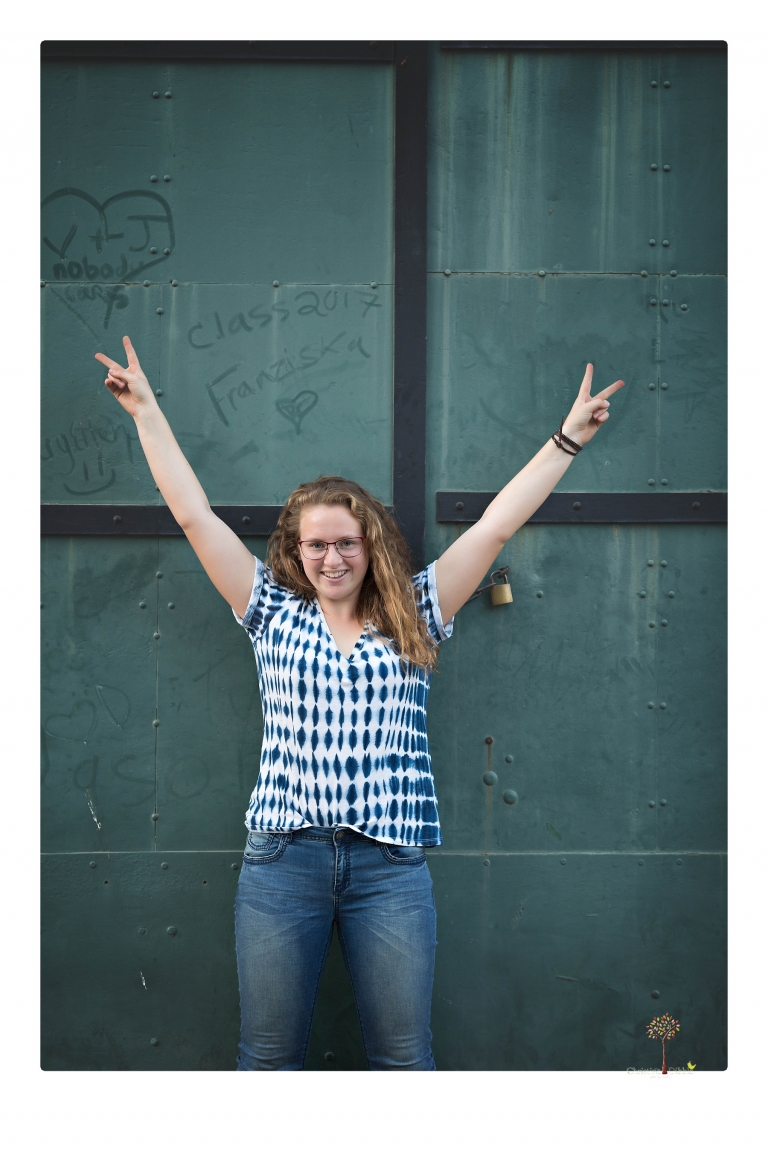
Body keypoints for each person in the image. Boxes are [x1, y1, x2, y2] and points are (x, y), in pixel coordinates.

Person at [96, 336, 624, 1070]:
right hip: (283, 862)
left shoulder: (419, 608)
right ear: (296, 552)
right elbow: (195, 518)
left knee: (404, 1061)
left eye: (345, 543)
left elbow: (496, 525)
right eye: (316, 546)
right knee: (269, 1060)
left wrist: (567, 441)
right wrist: (146, 413)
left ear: (369, 545)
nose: (332, 559)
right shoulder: (269, 611)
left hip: (389, 867)